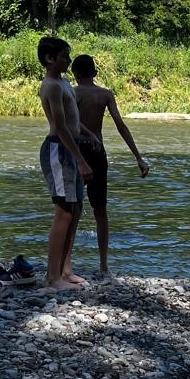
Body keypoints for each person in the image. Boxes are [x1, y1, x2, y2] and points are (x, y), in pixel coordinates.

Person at [70, 54, 150, 276]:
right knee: (100, 211)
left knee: (73, 208)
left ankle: (66, 263)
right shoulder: (105, 95)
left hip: (78, 152)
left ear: (74, 74)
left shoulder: (73, 94)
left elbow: (71, 123)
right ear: (95, 73)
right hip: (97, 152)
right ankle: (104, 265)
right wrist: (138, 157)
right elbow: (120, 125)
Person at [37, 36, 94, 290]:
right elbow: (60, 127)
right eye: (64, 57)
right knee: (64, 210)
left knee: (76, 209)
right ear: (49, 59)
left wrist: (88, 134)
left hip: (70, 148)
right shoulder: (50, 86)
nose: (69, 61)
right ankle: (52, 277)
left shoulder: (64, 83)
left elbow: (72, 120)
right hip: (58, 150)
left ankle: (65, 270)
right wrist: (81, 160)